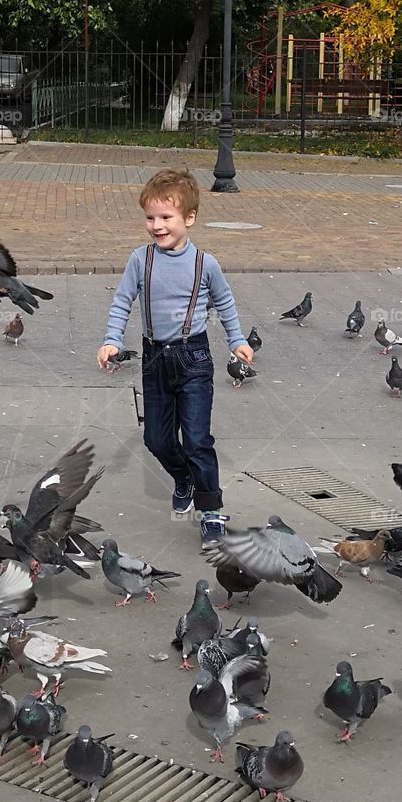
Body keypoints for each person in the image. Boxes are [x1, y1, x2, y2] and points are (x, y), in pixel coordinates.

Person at [97, 168, 253, 549]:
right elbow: (122, 302)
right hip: (154, 360)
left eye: (166, 217)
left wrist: (237, 339)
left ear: (189, 219)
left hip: (194, 358)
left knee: (198, 438)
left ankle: (211, 510)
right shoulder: (140, 260)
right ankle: (183, 477)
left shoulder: (205, 264)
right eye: (150, 217)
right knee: (156, 438)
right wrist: (111, 340)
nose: (156, 225)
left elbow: (225, 302)